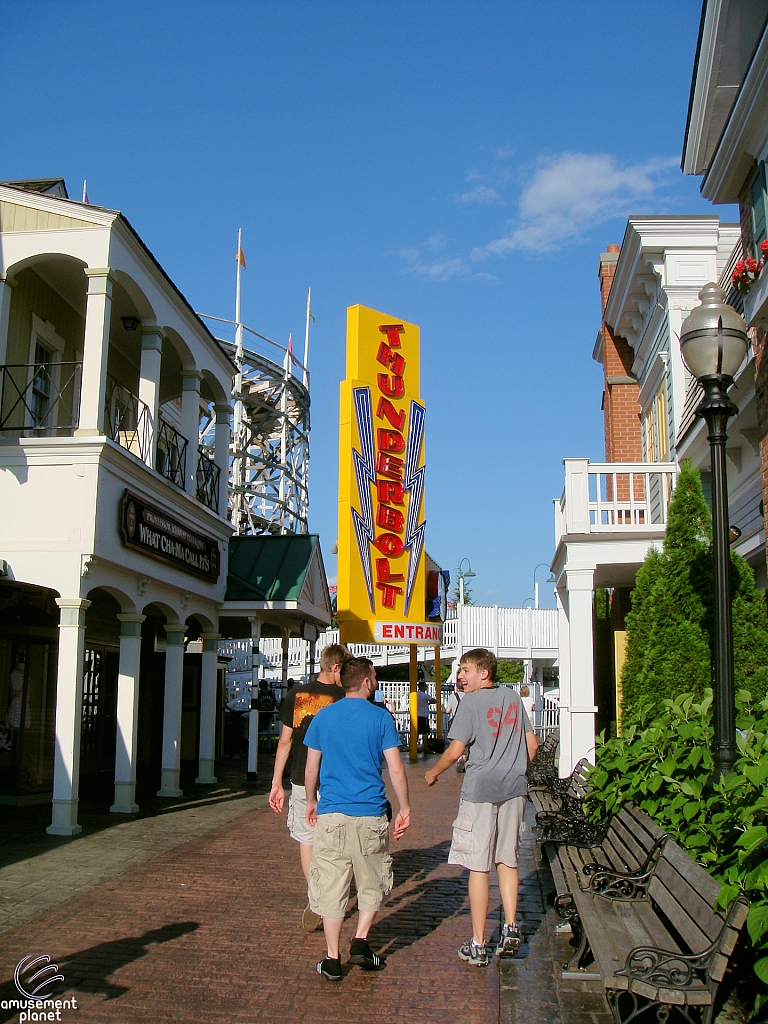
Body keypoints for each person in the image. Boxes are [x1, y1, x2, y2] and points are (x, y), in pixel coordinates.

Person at [425, 647, 538, 966]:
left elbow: (455, 750)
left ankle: (477, 943)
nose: (459, 676)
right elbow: (532, 745)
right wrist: (516, 770)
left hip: (480, 790)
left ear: (483, 673)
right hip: (514, 788)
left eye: (464, 670)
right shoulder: (513, 699)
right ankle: (511, 927)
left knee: (479, 865)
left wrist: (433, 773)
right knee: (508, 860)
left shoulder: (470, 704)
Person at [304, 656, 411, 981]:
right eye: (375, 675)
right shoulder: (381, 718)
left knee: (333, 884)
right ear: (366, 681)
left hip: (332, 812)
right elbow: (395, 767)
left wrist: (311, 800)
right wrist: (404, 806)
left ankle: (333, 958)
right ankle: (361, 939)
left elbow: (312, 767)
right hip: (370, 812)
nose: (376, 679)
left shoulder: (323, 716)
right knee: (372, 879)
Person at [268, 643, 350, 930]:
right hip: (336, 778)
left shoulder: (296, 694)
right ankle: (331, 893)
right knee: (337, 839)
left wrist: (276, 782)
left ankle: (316, 897)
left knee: (307, 838)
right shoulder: (344, 697)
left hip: (303, 778)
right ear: (336, 667)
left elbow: (285, 742)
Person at [416, 681, 436, 752]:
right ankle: (426, 748)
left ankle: (414, 747)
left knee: (416, 732)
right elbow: (434, 700)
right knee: (425, 733)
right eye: (425, 686)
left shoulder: (416, 695)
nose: (426, 687)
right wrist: (429, 703)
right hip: (424, 716)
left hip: (416, 715)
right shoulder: (424, 695)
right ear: (422, 687)